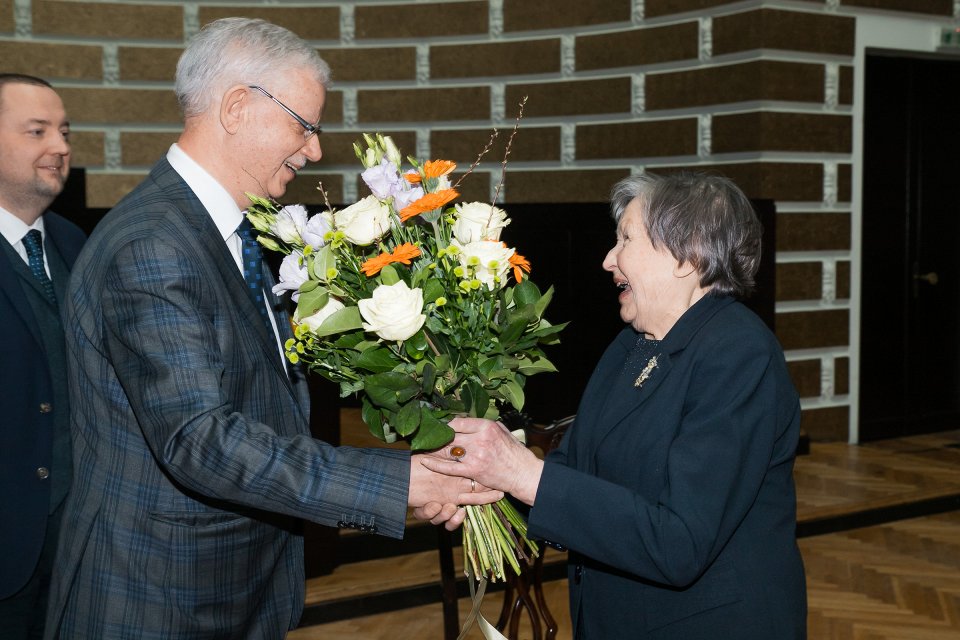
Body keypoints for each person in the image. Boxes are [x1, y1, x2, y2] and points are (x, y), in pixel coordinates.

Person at [44, 18, 494, 639]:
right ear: (236, 107)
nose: (312, 149)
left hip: (227, 586)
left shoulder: (232, 234)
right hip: (159, 597)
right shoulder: (153, 244)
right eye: (303, 125)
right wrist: (396, 483)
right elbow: (201, 439)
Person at [424, 172, 807, 639]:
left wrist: (523, 474)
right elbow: (575, 470)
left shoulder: (739, 355)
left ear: (687, 254)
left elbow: (679, 543)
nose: (608, 260)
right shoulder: (633, 345)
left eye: (625, 239)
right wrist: (481, 487)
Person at [0, 73, 83, 639]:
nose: (60, 146)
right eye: (37, 131)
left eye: (64, 131)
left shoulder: (80, 245)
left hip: (78, 546)